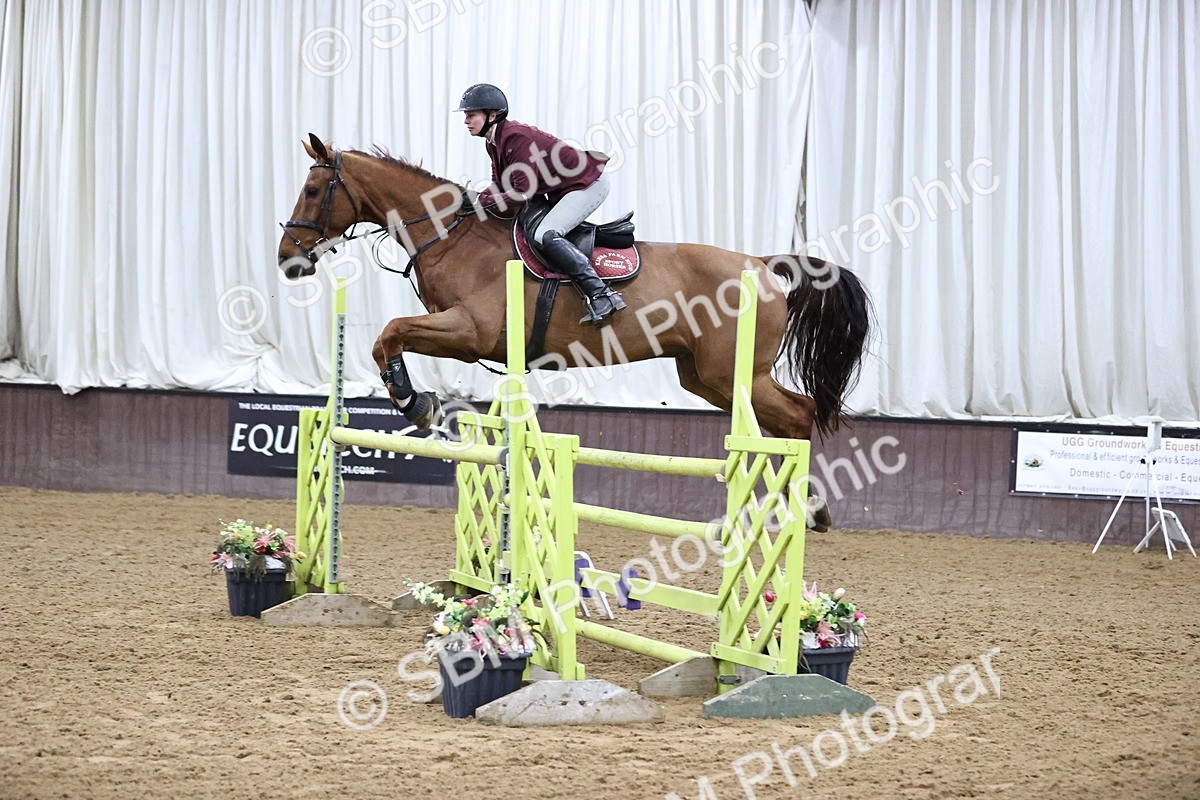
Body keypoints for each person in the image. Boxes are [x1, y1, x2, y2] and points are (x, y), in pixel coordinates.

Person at [455, 83, 625, 326]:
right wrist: (475, 198)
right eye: (466, 115)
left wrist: (482, 201)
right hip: (563, 189)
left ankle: (601, 294)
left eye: (471, 115)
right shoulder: (493, 142)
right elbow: (500, 185)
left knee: (545, 234)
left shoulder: (515, 137)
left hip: (588, 183)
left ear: (492, 115)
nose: (466, 121)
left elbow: (522, 193)